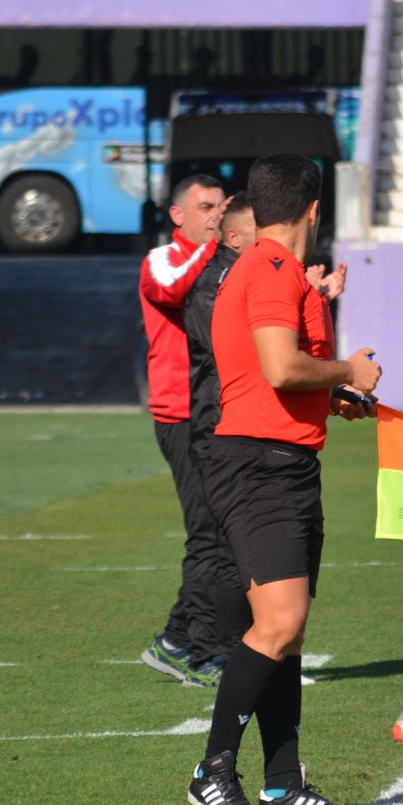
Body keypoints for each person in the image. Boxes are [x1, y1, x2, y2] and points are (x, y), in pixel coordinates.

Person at [187, 152, 381, 805]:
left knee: (288, 633)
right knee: (279, 623)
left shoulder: (271, 269)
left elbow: (266, 374)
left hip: (283, 460)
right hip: (258, 465)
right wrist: (347, 370)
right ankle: (213, 771)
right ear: (314, 210)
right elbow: (278, 366)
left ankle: (282, 784)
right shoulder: (271, 267)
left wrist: (333, 397)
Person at [137, 174, 230, 688]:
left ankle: (178, 641)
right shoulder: (162, 259)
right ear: (177, 215)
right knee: (207, 532)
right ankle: (198, 650)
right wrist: (215, 248)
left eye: (220, 206)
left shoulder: (220, 261)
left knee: (220, 531)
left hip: (216, 412)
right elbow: (172, 289)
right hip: (179, 414)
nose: (216, 215)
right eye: (205, 207)